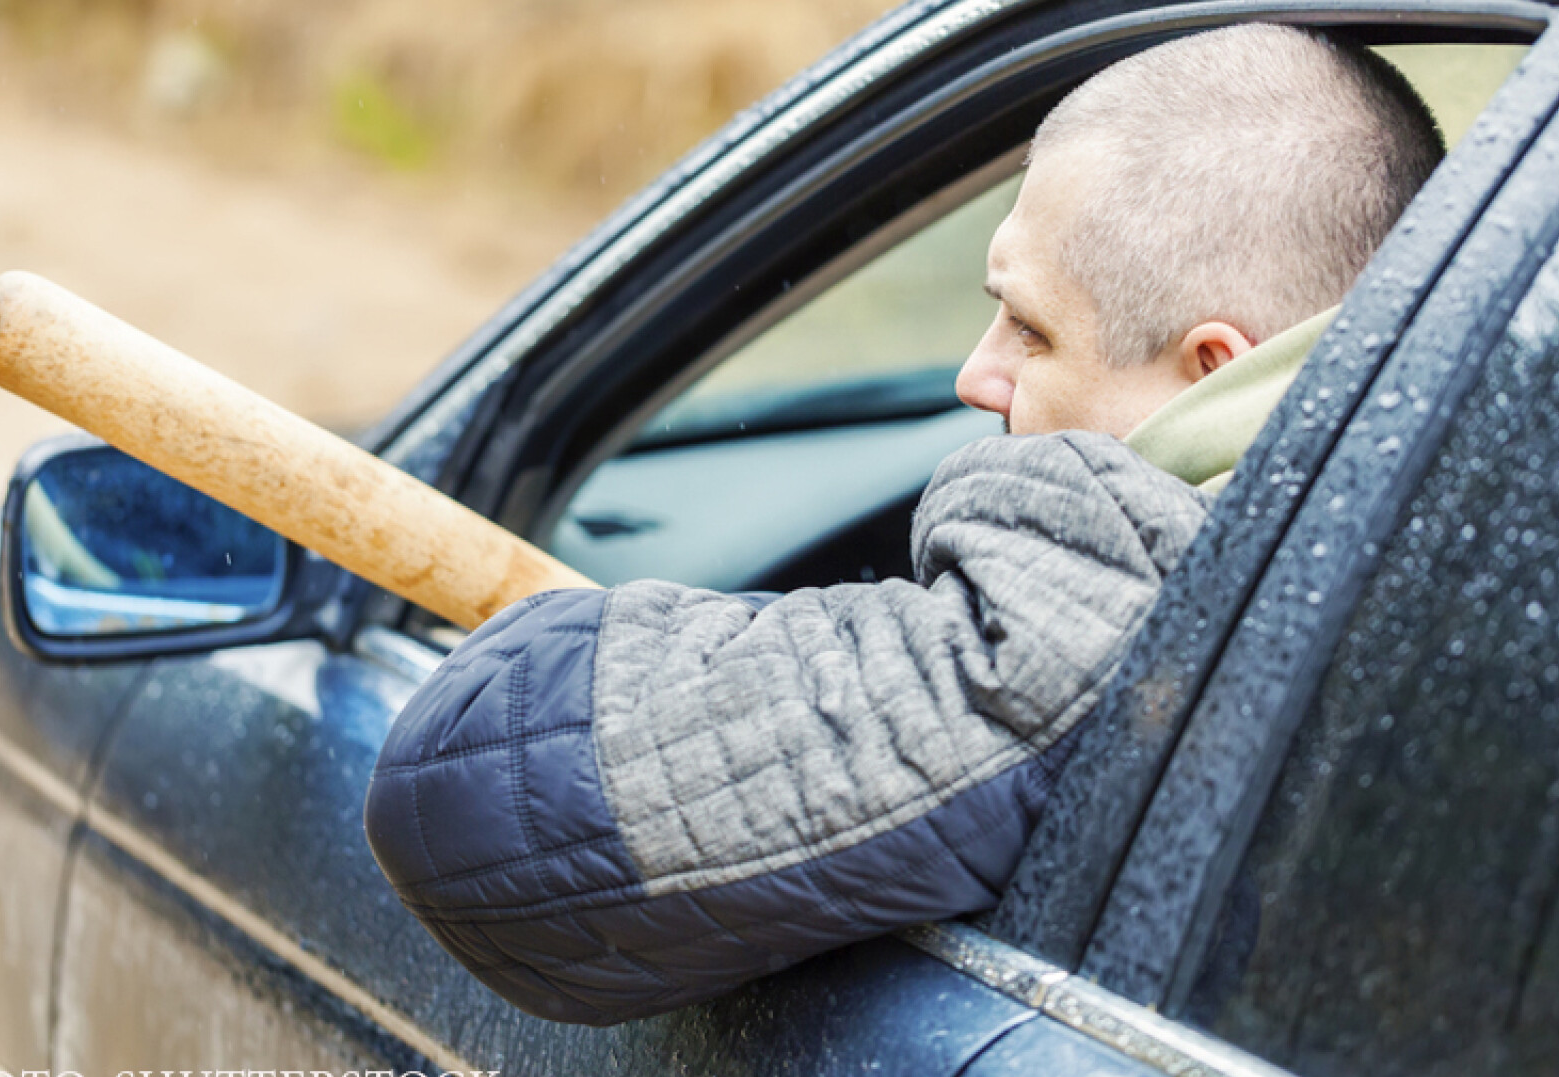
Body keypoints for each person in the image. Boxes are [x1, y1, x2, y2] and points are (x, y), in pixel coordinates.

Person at [363, 23, 1444, 1026]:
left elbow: (464, 796)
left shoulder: (1116, 619)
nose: (978, 374)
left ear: (1214, 368)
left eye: (1031, 328)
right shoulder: (1473, 532)